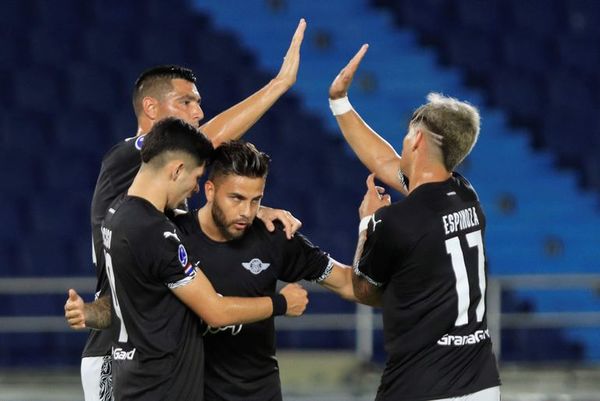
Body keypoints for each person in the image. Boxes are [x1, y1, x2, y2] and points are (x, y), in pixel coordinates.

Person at [74, 19, 306, 401]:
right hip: (120, 351)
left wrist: (242, 210)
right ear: (150, 107)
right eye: (186, 102)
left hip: (157, 352)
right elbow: (207, 139)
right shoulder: (125, 157)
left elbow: (183, 221)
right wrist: (279, 85)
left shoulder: (154, 204)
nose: (198, 112)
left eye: (199, 103)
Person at [68, 140, 358, 401]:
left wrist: (370, 234)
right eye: (236, 198)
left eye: (255, 200)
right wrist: (90, 313)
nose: (246, 211)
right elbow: (127, 303)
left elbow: (347, 282)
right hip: (195, 392)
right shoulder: (172, 237)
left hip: (260, 393)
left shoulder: (275, 237)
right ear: (209, 189)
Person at [327, 46, 501, 400]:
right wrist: (340, 102)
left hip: (421, 386)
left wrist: (367, 223)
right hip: (480, 384)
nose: (403, 142)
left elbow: (363, 289)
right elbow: (384, 160)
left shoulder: (397, 221)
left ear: (418, 140)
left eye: (408, 134)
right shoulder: (464, 192)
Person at [96, 118, 308, 401]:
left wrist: (253, 209)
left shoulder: (118, 214)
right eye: (196, 178)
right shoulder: (157, 235)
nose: (195, 189)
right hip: (161, 388)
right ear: (177, 170)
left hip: (133, 379)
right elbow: (215, 311)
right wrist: (282, 303)